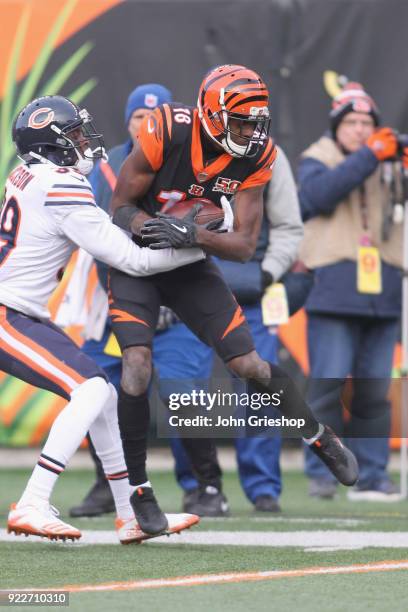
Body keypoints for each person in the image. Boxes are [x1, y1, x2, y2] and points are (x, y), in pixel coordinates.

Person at [109, 64, 359, 534]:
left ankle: (319, 437)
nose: (250, 132)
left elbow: (245, 245)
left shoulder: (256, 155)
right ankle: (138, 490)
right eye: (240, 121)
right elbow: (119, 207)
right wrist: (152, 228)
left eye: (255, 122)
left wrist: (191, 233)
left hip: (187, 263)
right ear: (209, 113)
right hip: (135, 263)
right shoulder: (166, 128)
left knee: (251, 366)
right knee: (137, 366)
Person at [3, 95, 200, 542]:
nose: (84, 142)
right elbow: (132, 260)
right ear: (51, 145)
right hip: (7, 313)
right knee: (90, 389)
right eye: (72, 136)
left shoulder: (30, 174)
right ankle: (34, 500)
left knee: (105, 396)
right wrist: (200, 244)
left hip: (20, 311)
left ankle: (129, 511)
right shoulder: (62, 185)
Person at [67, 84, 225, 519]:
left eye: (151, 117)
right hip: (118, 293)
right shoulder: (104, 166)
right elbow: (97, 239)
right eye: (137, 116)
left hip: (179, 298)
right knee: (100, 390)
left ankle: (205, 485)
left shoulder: (194, 159)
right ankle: (109, 484)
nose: (144, 124)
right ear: (128, 121)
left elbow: (210, 232)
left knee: (181, 391)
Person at [298, 82, 403, 500]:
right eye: (352, 122)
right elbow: (318, 198)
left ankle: (375, 474)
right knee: (327, 384)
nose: (360, 129)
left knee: (376, 388)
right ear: (336, 126)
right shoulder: (315, 158)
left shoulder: (389, 160)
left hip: (385, 286)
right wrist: (371, 154)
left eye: (367, 123)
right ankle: (322, 471)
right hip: (334, 285)